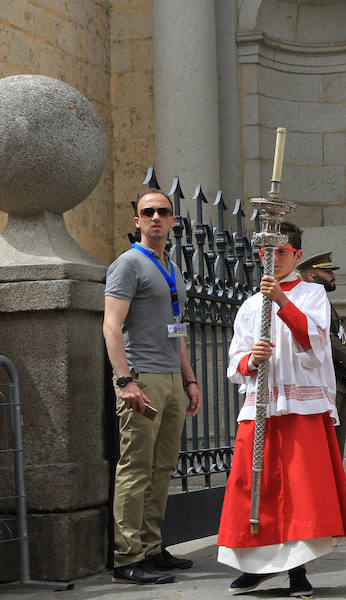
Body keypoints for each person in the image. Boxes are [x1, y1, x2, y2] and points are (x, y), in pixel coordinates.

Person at [217, 223, 346, 597]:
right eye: (266, 253)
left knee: (299, 489)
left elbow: (314, 342)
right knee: (255, 485)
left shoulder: (312, 294)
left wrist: (281, 300)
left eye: (280, 252)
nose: (272, 259)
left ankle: (297, 570)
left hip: (300, 405)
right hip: (261, 406)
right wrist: (250, 359)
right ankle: (255, 565)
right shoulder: (249, 305)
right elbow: (234, 362)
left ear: (296, 255)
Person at [103, 189, 202, 584]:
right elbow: (111, 325)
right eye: (148, 212)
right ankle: (127, 557)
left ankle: (151, 547)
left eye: (163, 211)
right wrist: (124, 380)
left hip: (172, 380)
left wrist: (190, 379)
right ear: (137, 221)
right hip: (141, 376)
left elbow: (177, 332)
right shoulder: (128, 264)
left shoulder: (172, 267)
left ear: (173, 220)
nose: (156, 217)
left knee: (162, 467)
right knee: (136, 468)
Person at [297, 250, 346, 456]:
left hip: (337, 379)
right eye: (328, 272)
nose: (333, 276)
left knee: (336, 446)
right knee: (328, 445)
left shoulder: (325, 302)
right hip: (321, 380)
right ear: (311, 276)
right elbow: (324, 339)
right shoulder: (308, 302)